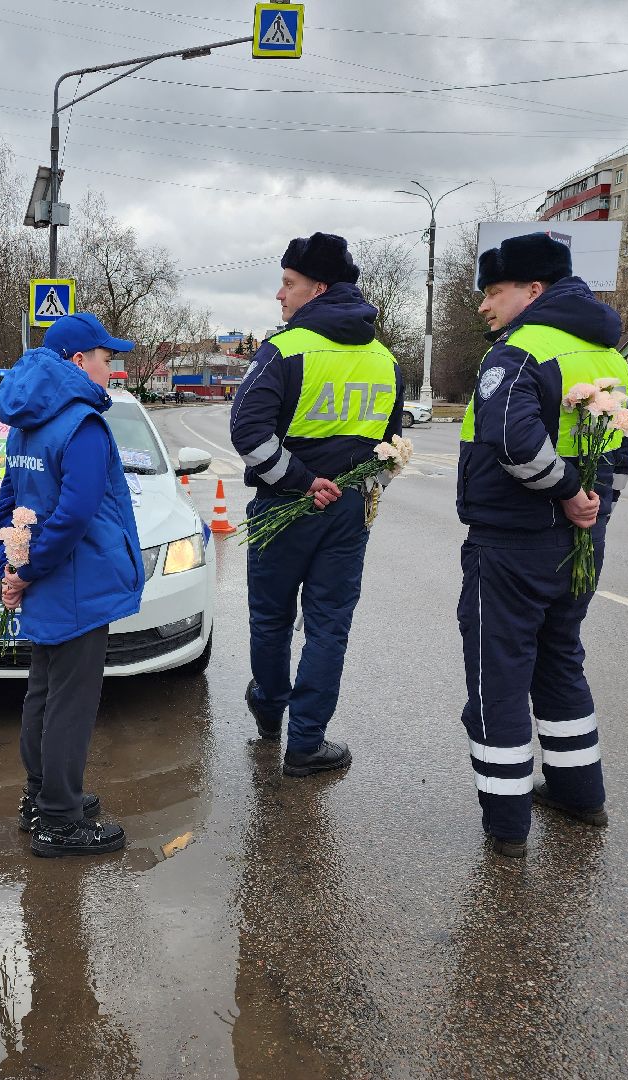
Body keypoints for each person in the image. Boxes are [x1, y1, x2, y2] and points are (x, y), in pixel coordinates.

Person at [456, 233, 628, 859]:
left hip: (513, 540)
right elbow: (620, 452)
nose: (485, 306)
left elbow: (511, 440)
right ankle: (581, 795)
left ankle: (506, 827)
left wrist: (562, 491)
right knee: (561, 660)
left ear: (533, 290)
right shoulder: (608, 355)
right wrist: (588, 504)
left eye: (494, 291)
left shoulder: (520, 351)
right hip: (582, 541)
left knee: (498, 676)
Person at [229, 232, 403, 778]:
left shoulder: (285, 350)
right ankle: (306, 743)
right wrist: (351, 487)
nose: (280, 295)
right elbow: (389, 445)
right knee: (329, 627)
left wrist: (302, 483)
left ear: (318, 288)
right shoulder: (384, 359)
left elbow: (247, 430)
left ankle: (268, 712)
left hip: (286, 506)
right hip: (347, 512)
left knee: (271, 618)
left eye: (289, 283)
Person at [0, 311, 145, 857]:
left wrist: (12, 562)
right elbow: (76, 515)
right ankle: (59, 819)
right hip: (76, 583)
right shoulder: (81, 424)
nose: (112, 368)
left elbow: (9, 504)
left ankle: (40, 796)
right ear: (78, 362)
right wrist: (28, 569)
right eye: (107, 359)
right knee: (70, 703)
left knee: (43, 691)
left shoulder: (26, 422)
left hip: (46, 580)